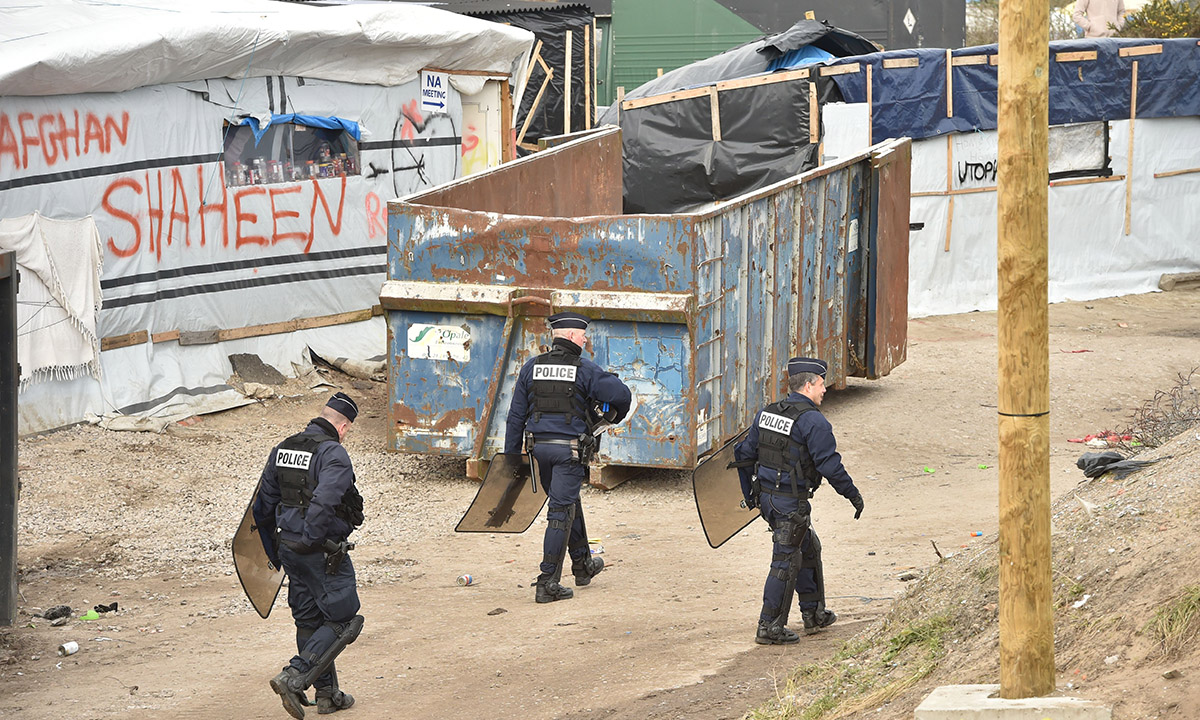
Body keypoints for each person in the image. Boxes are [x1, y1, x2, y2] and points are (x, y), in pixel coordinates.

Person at [733, 357, 865, 645]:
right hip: (789, 503)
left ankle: (813, 613)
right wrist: (852, 494)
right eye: (821, 384)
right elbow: (829, 465)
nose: (825, 390)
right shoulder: (814, 421)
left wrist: (751, 495)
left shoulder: (767, 413)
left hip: (768, 499)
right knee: (785, 560)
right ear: (807, 386)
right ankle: (769, 627)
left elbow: (743, 454)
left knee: (807, 548)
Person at [505, 311, 632, 603]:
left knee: (567, 501)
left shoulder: (531, 367)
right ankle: (547, 583)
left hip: (539, 451)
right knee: (560, 512)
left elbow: (515, 417)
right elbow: (622, 396)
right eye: (583, 335)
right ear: (573, 336)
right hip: (568, 452)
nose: (585, 340)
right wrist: (611, 418)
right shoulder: (585, 370)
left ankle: (583, 565)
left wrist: (512, 460)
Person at [253, 392, 365, 718]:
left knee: (309, 620)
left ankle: (327, 695)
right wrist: (311, 541)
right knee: (344, 619)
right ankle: (294, 676)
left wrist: (277, 551)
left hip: (288, 548)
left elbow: (262, 507)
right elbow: (324, 502)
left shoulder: (284, 448)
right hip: (320, 552)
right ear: (343, 427)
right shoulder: (333, 453)